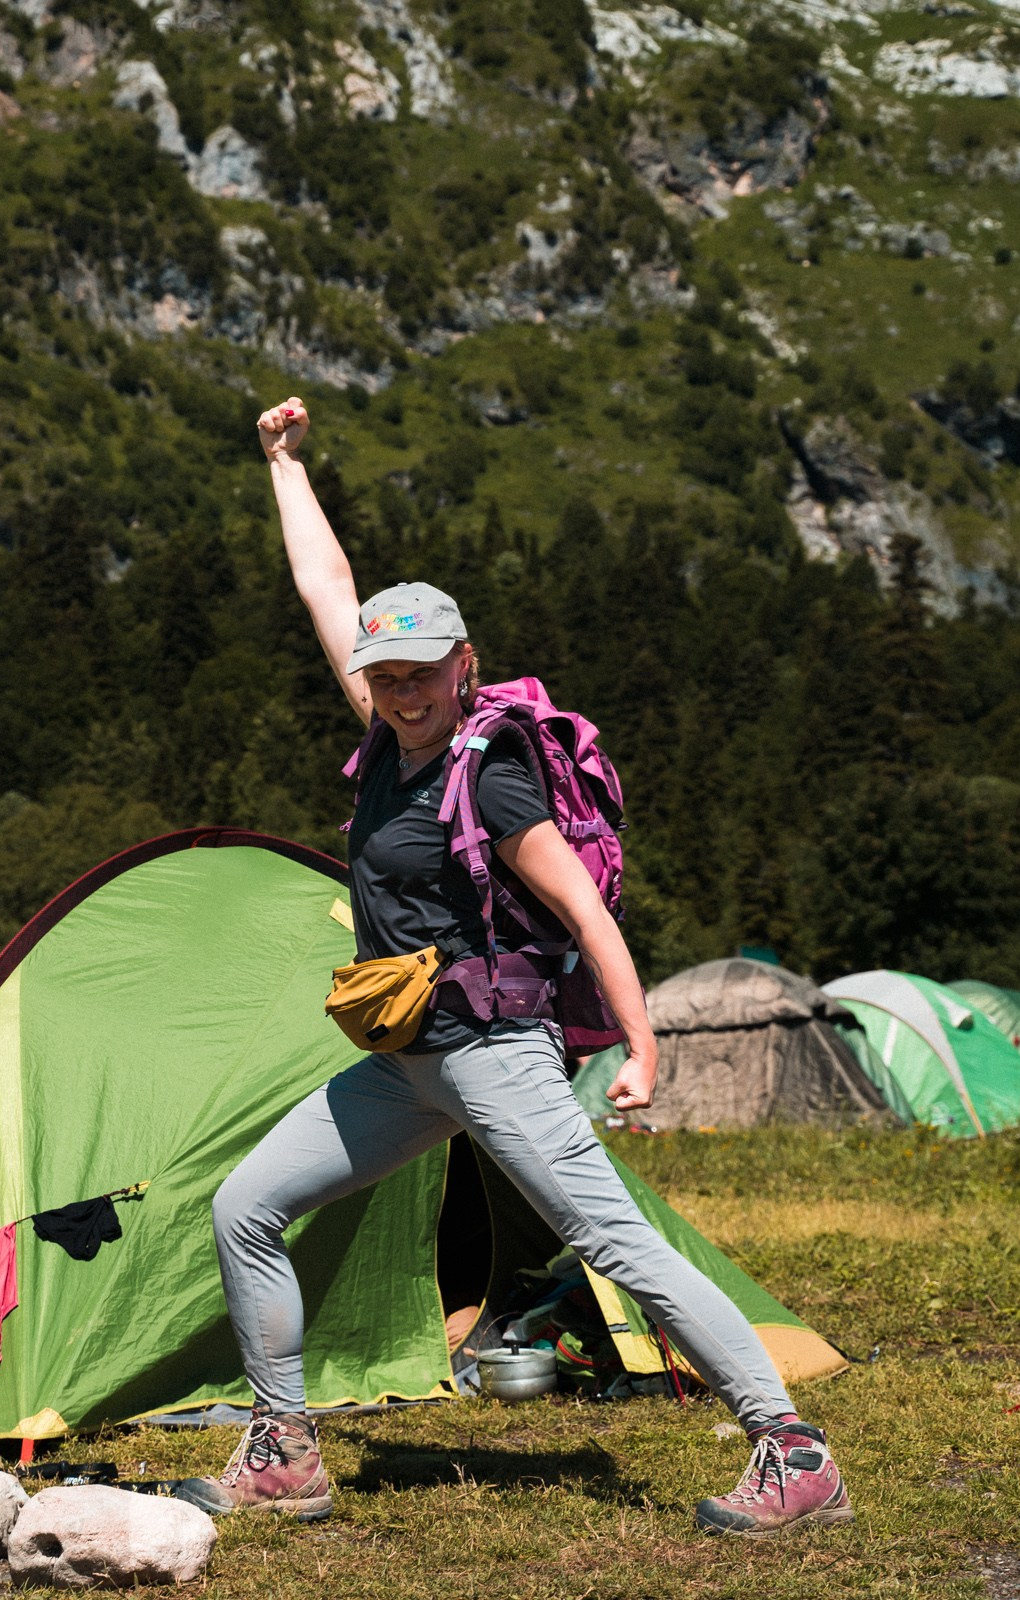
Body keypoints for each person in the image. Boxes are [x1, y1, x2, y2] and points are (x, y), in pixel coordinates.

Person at [173, 396, 853, 1538]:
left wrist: (641, 1044)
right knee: (244, 1204)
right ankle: (284, 1450)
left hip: (494, 1051)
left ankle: (795, 1452)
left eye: (423, 673)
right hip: (406, 1066)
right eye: (387, 674)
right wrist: (284, 464)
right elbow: (328, 594)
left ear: (464, 665)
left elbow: (583, 909)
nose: (402, 690)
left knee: (616, 1243)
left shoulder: (487, 774)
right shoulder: (389, 739)